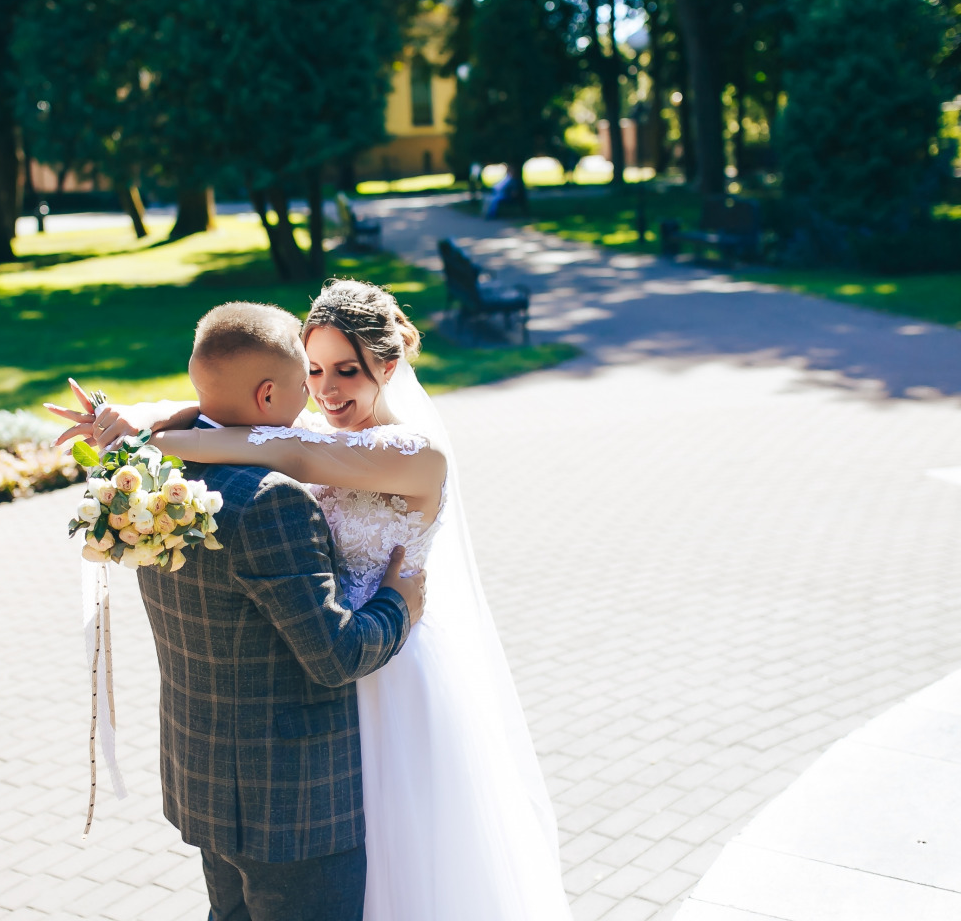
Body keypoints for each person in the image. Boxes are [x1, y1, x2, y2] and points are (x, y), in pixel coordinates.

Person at [50, 282, 572, 921]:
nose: (325, 392)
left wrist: (148, 443)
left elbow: (285, 447)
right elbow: (245, 415)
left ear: (388, 365)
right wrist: (141, 417)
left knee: (407, 861)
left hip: (393, 664)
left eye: (346, 371)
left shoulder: (414, 454)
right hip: (333, 673)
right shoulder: (307, 433)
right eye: (315, 370)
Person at [54, 302, 426, 921]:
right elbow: (335, 656)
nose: (317, 393)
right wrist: (399, 604)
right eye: (307, 377)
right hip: (292, 803)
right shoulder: (270, 501)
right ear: (270, 393)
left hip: (204, 776)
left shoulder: (150, 472)